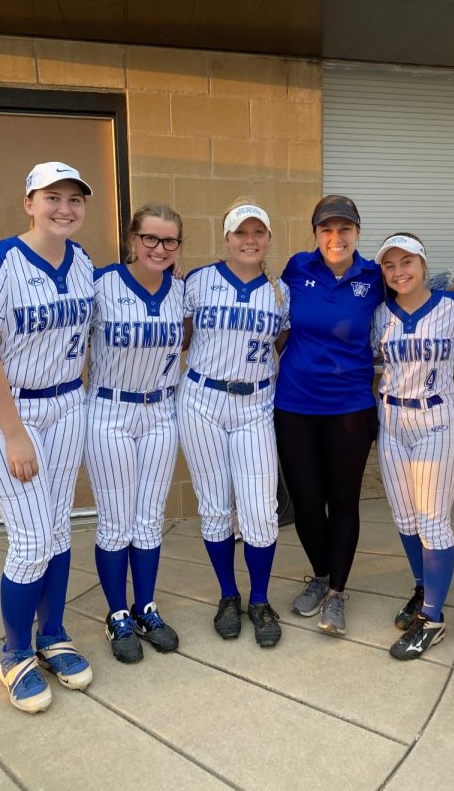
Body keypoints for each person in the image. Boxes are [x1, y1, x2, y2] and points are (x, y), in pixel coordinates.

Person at [0, 162, 95, 713]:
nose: (64, 208)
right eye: (52, 197)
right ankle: (14, 652)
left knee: (55, 530)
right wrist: (14, 433)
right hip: (11, 409)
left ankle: (52, 634)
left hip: (66, 402)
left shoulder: (82, 263)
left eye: (74, 199)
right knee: (29, 539)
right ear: (29, 202)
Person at [178, 202, 289, 647]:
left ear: (267, 238)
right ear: (226, 237)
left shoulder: (280, 291)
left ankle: (260, 599)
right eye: (240, 232)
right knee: (215, 507)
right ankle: (228, 595)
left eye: (258, 232)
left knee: (261, 511)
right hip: (202, 399)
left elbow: (282, 341)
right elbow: (179, 335)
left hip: (256, 404)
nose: (249, 239)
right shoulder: (197, 282)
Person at [275, 195, 383, 636]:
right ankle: (320, 574)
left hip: (350, 409)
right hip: (295, 405)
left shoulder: (375, 276)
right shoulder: (297, 268)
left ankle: (336, 592)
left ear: (358, 232)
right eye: (326, 230)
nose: (335, 238)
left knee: (342, 502)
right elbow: (275, 319)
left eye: (344, 229)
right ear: (315, 234)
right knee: (304, 502)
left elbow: (415, 291)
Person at [84, 204, 184, 664]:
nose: (159, 248)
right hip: (110, 410)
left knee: (148, 520)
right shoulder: (100, 283)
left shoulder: (181, 292)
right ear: (132, 239)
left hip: (161, 410)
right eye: (150, 238)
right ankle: (117, 613)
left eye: (169, 241)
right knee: (116, 521)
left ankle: (146, 606)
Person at [371, 233, 454, 659]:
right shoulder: (380, 315)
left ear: (424, 264)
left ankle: (433, 617)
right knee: (406, 520)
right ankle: (423, 587)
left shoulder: (453, 306)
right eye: (390, 266)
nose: (398, 271)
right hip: (392, 420)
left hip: (437, 419)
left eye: (406, 262)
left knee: (432, 522)